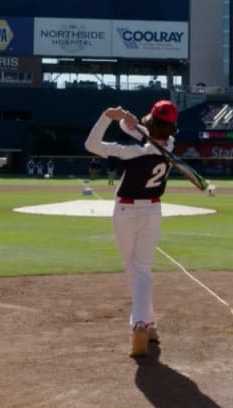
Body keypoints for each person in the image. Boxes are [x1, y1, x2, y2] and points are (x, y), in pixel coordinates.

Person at [85, 99, 179, 358]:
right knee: (142, 270)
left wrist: (107, 115)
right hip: (152, 211)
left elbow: (91, 145)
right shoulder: (170, 147)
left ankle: (138, 323)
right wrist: (128, 118)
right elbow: (141, 131)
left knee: (134, 270)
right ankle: (149, 325)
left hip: (125, 211)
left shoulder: (132, 152)